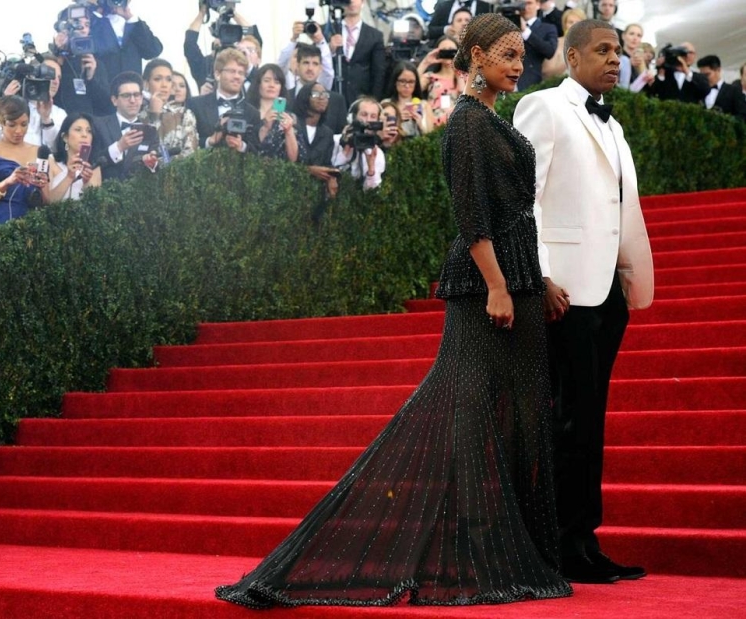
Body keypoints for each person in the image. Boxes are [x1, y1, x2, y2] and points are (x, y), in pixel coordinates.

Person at [215, 14, 573, 609]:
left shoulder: (491, 118)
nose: (518, 64)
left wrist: (539, 278)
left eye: (521, 55)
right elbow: (472, 216)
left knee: (520, 416)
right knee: (467, 412)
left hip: (521, 278)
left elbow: (514, 216)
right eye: (507, 54)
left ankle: (512, 553)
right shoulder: (464, 123)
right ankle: (474, 552)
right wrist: (500, 287)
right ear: (476, 57)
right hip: (489, 287)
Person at [514, 18, 654, 585]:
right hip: (564, 292)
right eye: (602, 50)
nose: (614, 59)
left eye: (618, 51)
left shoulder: (614, 126)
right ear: (571, 58)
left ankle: (584, 540)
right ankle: (557, 543)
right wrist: (541, 277)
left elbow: (617, 211)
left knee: (588, 420)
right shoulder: (543, 108)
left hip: (606, 296)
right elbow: (526, 200)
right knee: (567, 421)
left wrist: (625, 276)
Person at [0, 96, 50, 239]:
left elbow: (46, 202)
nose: (19, 131)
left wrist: (42, 186)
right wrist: (6, 183)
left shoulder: (38, 151)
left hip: (28, 232)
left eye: (24, 124)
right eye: (12, 124)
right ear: (1, 122)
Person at [188, 48, 260, 153]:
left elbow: (258, 151)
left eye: (241, 73)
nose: (237, 76)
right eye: (232, 71)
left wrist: (241, 146)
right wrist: (210, 141)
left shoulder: (252, 113)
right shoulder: (195, 105)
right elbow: (186, 144)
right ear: (217, 74)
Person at [93, 72, 160, 182]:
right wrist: (119, 147)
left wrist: (152, 163)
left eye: (136, 95)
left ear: (142, 98)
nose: (133, 100)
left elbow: (155, 169)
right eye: (126, 95)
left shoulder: (150, 130)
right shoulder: (98, 125)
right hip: (104, 193)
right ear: (114, 100)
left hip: (137, 195)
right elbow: (92, 161)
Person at [50, 6, 112, 117]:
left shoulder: (95, 63)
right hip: (56, 123)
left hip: (86, 126)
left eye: (87, 24)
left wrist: (91, 78)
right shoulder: (50, 60)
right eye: (76, 23)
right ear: (62, 27)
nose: (83, 28)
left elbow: (107, 105)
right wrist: (57, 57)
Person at [0, 55, 67, 152]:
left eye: (59, 78)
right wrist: (6, 108)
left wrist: (46, 120)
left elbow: (58, 149)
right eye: (51, 75)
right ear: (33, 75)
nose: (56, 82)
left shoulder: (61, 115)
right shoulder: (15, 108)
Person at [90, 0, 163, 85]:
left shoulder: (133, 24)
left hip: (131, 90)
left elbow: (153, 51)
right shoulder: (90, 21)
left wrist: (130, 18)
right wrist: (97, 11)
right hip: (100, 89)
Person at [328, 0, 387, 106]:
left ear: (363, 1)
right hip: (332, 95)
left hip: (361, 98)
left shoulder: (375, 36)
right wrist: (330, 49)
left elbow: (379, 73)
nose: (351, 2)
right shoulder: (329, 30)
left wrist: (374, 102)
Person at [138, 59, 198, 160]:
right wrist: (154, 115)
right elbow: (141, 152)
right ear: (146, 84)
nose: (164, 85)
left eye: (168, 79)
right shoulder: (138, 114)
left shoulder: (183, 114)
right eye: (157, 79)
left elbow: (190, 153)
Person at [288, 44, 347, 135]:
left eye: (315, 64)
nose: (310, 68)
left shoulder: (337, 101)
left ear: (320, 68)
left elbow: (341, 136)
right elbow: (275, 128)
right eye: (306, 63)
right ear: (297, 65)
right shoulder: (281, 98)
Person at [293, 82, 339, 202]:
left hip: (314, 196)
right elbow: (282, 161)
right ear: (305, 97)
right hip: (290, 191)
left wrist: (331, 178)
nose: (322, 97)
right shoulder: (292, 125)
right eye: (316, 94)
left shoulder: (328, 133)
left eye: (324, 94)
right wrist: (308, 170)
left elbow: (326, 163)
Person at [247, 64, 301, 162]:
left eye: (277, 82)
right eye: (266, 81)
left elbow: (294, 159)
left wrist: (289, 131)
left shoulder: (289, 117)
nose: (271, 85)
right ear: (258, 84)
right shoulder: (248, 113)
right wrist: (265, 126)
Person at [331, 97, 386, 190]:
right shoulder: (334, 141)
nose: (367, 120)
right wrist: (345, 152)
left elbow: (372, 192)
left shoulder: (377, 153)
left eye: (373, 116)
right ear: (351, 117)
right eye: (364, 114)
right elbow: (328, 175)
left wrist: (371, 168)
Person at [47, 113, 102, 202]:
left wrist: (86, 182)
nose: (84, 135)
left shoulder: (94, 165)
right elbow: (48, 202)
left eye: (89, 131)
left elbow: (95, 205)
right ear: (65, 137)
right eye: (78, 130)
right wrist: (69, 177)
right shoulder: (51, 161)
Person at [417, 36, 464, 127]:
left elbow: (466, 99)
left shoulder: (465, 77)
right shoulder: (430, 77)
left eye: (451, 51)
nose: (448, 53)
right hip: (433, 125)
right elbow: (413, 86)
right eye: (444, 50)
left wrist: (458, 71)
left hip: (456, 126)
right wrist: (426, 62)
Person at [517, 0, 558, 90]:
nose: (526, 7)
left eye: (529, 3)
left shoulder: (548, 28)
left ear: (538, 5)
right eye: (522, 4)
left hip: (530, 82)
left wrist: (526, 32)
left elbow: (550, 51)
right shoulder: (508, 26)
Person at [385, 61, 434, 138]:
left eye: (411, 82)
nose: (407, 85)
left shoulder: (424, 105)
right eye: (402, 81)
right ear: (395, 81)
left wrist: (420, 124)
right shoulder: (386, 104)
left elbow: (431, 136)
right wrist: (397, 119)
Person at [697, 55, 746, 121]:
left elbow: (742, 116)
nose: (704, 79)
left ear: (718, 70)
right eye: (701, 76)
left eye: (707, 75)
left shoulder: (734, 91)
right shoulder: (698, 91)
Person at [164, 71, 201, 158]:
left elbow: (190, 151)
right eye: (173, 85)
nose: (177, 89)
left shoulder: (187, 114)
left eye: (182, 86)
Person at [542, 8, 586, 80]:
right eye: (570, 22)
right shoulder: (557, 43)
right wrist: (569, 62)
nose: (574, 25)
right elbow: (546, 72)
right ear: (564, 25)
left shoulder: (591, 43)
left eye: (578, 22)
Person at [427, 0, 492, 43]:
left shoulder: (486, 7)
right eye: (459, 20)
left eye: (467, 20)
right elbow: (430, 31)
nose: (464, 23)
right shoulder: (443, 6)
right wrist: (446, 30)